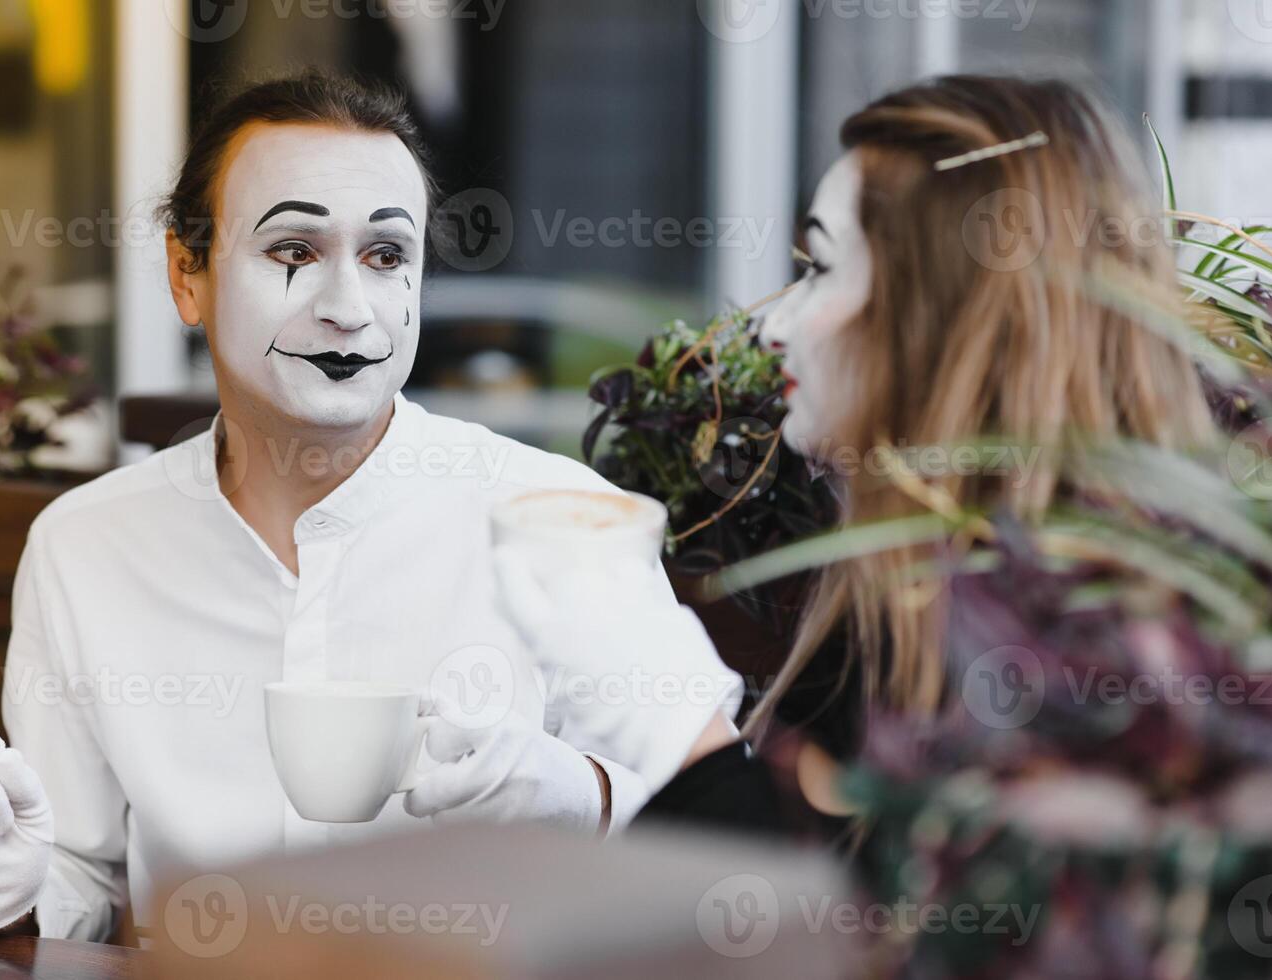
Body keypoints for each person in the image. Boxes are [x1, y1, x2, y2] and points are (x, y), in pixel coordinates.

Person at [0, 70, 733, 943]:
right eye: (292, 252)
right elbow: (72, 875)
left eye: (385, 256)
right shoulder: (86, 545)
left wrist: (581, 800)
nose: (347, 309)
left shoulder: (557, 520)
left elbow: (732, 871)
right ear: (189, 274)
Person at [496, 75, 1222, 838]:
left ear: (944, 315)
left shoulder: (1076, 649)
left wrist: (673, 733)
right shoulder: (885, 592)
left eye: (821, 269)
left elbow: (840, 933)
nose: (774, 327)